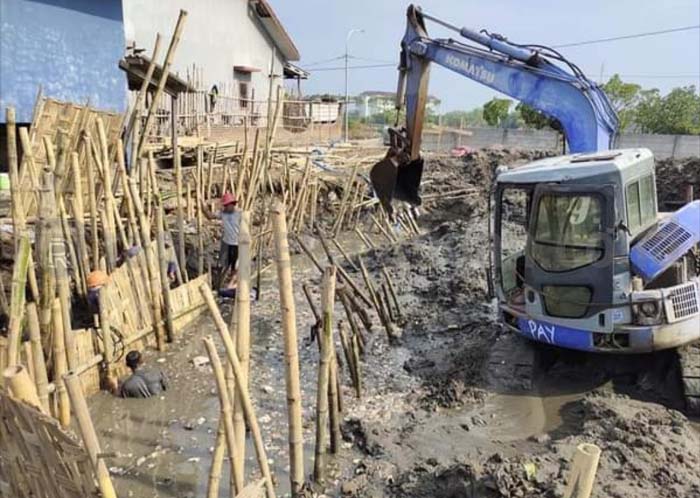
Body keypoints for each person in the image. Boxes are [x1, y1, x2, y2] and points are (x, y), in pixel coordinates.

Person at [202, 192, 241, 288]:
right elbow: (210, 216)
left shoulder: (240, 214)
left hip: (237, 243)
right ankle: (220, 283)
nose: (226, 207)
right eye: (225, 205)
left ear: (232, 204)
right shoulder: (223, 214)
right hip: (226, 242)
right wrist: (203, 207)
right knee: (221, 263)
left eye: (227, 205)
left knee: (234, 265)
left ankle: (232, 283)